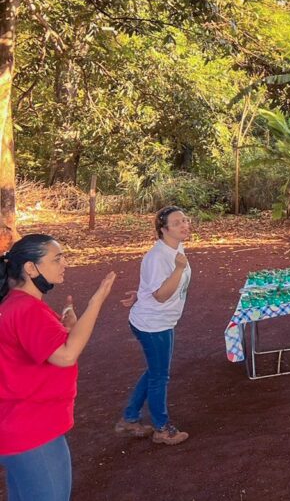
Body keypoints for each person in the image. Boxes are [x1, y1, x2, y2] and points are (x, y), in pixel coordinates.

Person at [0, 235, 117, 501]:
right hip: (33, 433)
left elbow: (48, 349)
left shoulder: (16, 305)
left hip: (17, 428)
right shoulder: (28, 310)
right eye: (57, 259)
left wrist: (68, 329)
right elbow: (66, 356)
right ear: (31, 268)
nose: (64, 263)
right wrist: (96, 301)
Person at [117, 206, 193, 445]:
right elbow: (161, 294)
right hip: (153, 325)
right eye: (177, 222)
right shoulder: (158, 256)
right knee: (160, 376)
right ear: (163, 229)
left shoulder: (175, 247)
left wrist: (141, 294)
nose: (184, 225)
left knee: (155, 371)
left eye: (185, 220)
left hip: (162, 321)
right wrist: (179, 269)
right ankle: (162, 428)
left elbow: (151, 287)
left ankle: (130, 418)